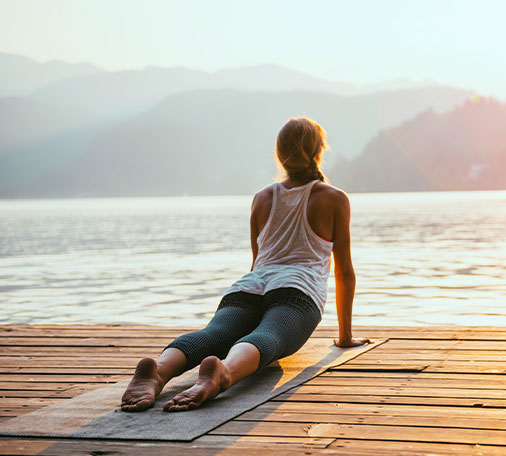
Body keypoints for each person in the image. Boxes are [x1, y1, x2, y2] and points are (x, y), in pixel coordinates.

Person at [120, 117, 369, 413]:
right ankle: (223, 373)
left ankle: (159, 370)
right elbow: (344, 273)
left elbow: (257, 261)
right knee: (268, 337)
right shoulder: (334, 198)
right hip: (296, 293)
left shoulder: (262, 198)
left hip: (248, 288)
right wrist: (344, 337)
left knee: (213, 335)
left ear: (280, 155)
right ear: (319, 151)